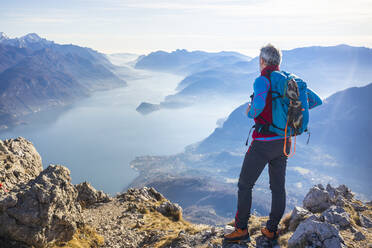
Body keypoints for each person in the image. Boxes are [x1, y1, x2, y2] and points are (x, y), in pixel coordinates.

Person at [224, 44, 322, 242]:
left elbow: (258, 107)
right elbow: (315, 100)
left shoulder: (263, 80)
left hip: (263, 143)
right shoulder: (289, 80)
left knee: (245, 184)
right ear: (278, 62)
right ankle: (271, 229)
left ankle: (241, 229)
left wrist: (249, 111)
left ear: (262, 61)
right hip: (284, 141)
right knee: (278, 187)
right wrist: (290, 111)